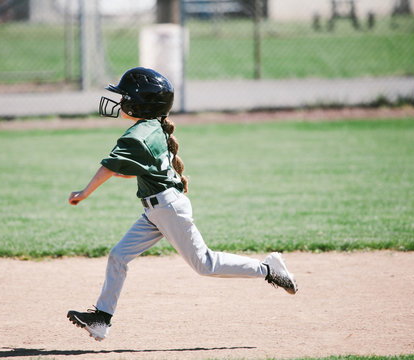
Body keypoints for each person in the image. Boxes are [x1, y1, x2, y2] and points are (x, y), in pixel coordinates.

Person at [66, 67, 298, 342]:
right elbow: (135, 169)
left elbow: (108, 167)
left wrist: (84, 192)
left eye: (124, 96)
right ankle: (101, 319)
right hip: (159, 210)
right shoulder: (152, 128)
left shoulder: (138, 133)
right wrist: (121, 172)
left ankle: (269, 270)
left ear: (140, 103)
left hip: (167, 209)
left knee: (205, 264)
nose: (119, 101)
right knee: (119, 255)